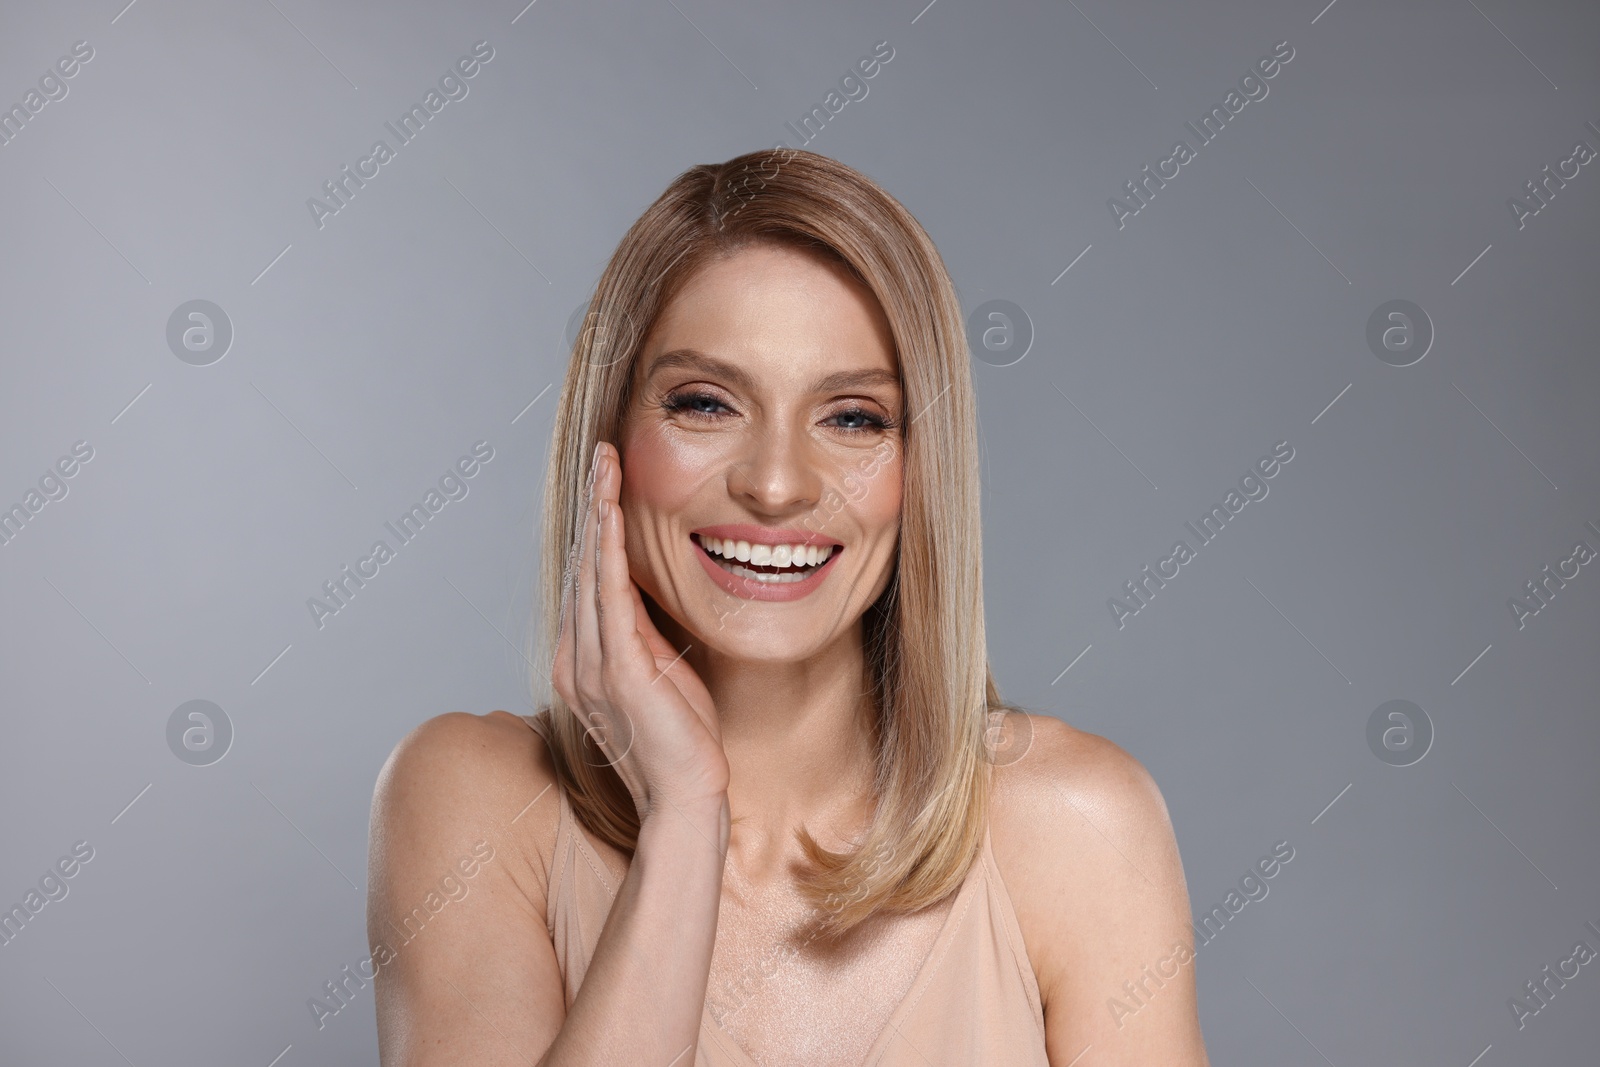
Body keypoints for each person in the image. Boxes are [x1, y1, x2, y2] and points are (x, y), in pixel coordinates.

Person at [366, 148, 1210, 1065]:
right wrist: (685, 818)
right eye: (705, 403)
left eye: (853, 417)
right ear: (607, 442)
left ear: (921, 472)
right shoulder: (472, 801)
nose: (774, 485)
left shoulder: (1080, 828)